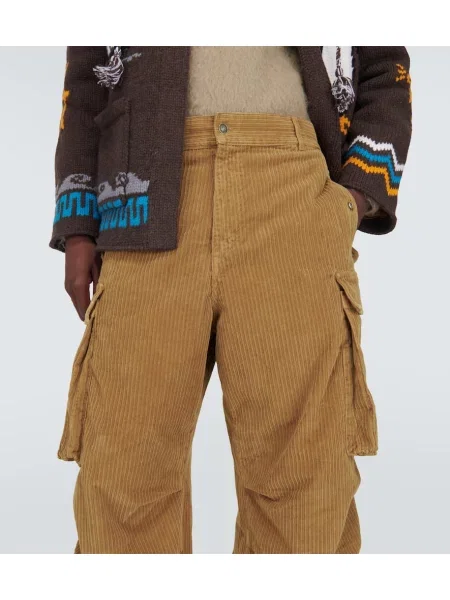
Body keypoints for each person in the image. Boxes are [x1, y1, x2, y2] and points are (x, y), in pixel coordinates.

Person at [50, 46, 412, 554]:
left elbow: (384, 65)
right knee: (122, 474)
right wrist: (77, 221)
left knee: (303, 482)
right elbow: (88, 75)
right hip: (138, 192)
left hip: (292, 185)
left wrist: (353, 197)